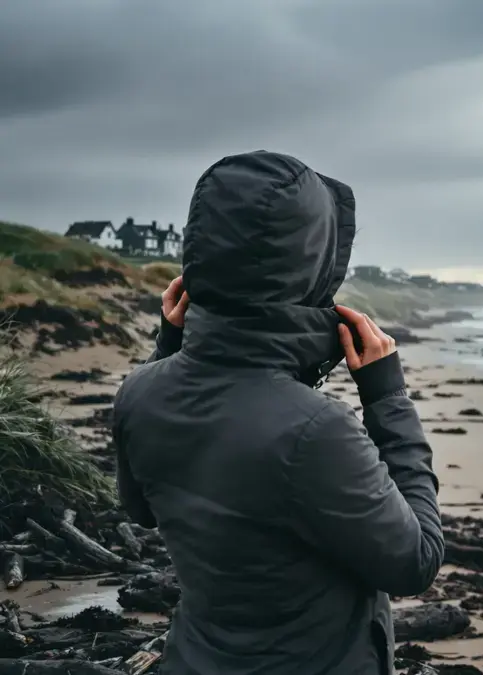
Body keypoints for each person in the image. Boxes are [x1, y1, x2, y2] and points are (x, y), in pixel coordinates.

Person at [113, 151, 444, 675]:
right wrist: (387, 399)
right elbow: (416, 562)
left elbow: (143, 509)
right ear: (311, 269)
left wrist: (170, 351)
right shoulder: (316, 431)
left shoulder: (139, 392)